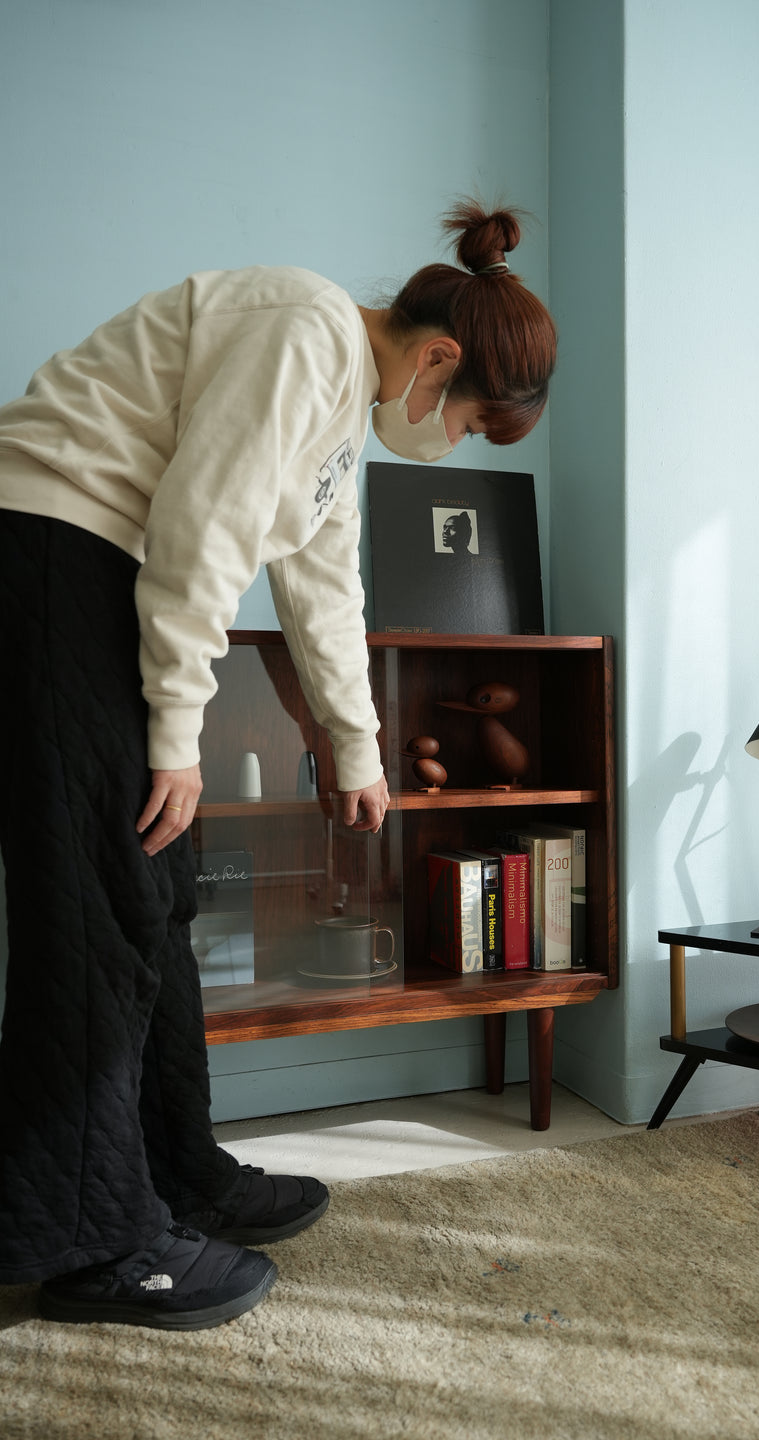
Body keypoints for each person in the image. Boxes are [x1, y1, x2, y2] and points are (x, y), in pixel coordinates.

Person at [0, 200, 557, 1329]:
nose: (447, 445)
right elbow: (203, 529)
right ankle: (95, 1242)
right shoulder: (304, 329)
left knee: (156, 893)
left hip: (96, 572)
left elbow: (322, 584)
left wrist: (352, 747)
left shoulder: (340, 408)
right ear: (438, 359)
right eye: (466, 425)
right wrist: (176, 735)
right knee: (101, 902)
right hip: (49, 550)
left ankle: (174, 1175)